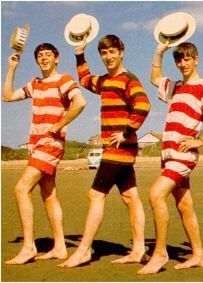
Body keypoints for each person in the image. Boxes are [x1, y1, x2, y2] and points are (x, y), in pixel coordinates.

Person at [137, 41, 203, 275]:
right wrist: (159, 51)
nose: (183, 64)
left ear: (196, 59)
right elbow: (155, 77)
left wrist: (202, 140)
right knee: (184, 204)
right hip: (168, 153)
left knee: (155, 194)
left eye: (187, 59)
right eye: (179, 60)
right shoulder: (176, 87)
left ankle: (160, 254)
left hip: (183, 155)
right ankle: (198, 255)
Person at [59, 34, 151, 268]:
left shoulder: (128, 79)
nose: (108, 57)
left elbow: (143, 105)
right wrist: (80, 53)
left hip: (118, 150)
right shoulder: (105, 81)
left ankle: (84, 250)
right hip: (120, 151)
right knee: (131, 197)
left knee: (96, 195)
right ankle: (139, 249)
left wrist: (126, 133)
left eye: (112, 52)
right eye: (104, 53)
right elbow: (86, 79)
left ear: (121, 52)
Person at [2, 43, 87, 264]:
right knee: (48, 195)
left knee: (21, 188)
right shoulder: (35, 84)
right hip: (36, 144)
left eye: (48, 54)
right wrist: (11, 68)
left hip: (50, 143)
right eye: (40, 55)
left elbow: (80, 102)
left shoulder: (64, 80)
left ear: (56, 58)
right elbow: (7, 96)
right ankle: (60, 246)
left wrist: (60, 124)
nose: (44, 58)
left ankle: (29, 247)